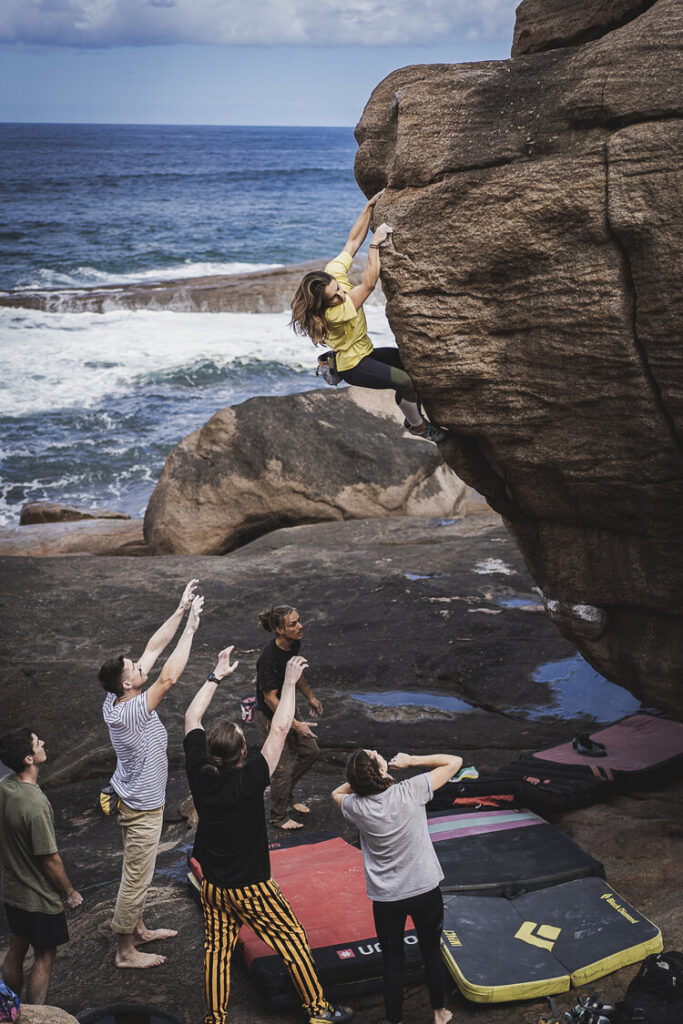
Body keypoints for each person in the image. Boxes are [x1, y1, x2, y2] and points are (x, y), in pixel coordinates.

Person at [183, 643, 353, 1024]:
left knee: (216, 952)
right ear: (243, 751)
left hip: (212, 882)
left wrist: (216, 675)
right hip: (252, 885)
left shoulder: (199, 770)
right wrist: (290, 683)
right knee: (292, 941)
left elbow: (192, 716)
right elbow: (279, 729)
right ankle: (320, 1011)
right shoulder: (252, 776)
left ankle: (215, 1019)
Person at [98, 579, 203, 969]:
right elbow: (169, 678)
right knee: (137, 877)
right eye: (134, 669)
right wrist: (191, 629)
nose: (141, 665)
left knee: (136, 867)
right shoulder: (130, 710)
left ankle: (139, 928)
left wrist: (179, 609)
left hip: (130, 795)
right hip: (141, 805)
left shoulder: (115, 696)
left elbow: (155, 648)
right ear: (128, 684)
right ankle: (125, 951)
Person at [290, 192, 446, 444]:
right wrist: (376, 244)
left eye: (338, 288)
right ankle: (418, 426)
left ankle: (419, 410)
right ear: (323, 304)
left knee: (409, 363)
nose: (342, 293)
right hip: (354, 366)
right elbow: (369, 283)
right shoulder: (335, 313)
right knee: (403, 380)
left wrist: (368, 209)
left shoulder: (332, 276)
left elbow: (351, 243)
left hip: (365, 352)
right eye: (334, 296)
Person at [332, 748, 462, 1024]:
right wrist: (412, 761)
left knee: (392, 962)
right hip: (424, 889)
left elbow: (336, 794)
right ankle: (439, 1012)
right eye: (376, 755)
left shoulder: (355, 805)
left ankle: (395, 1021)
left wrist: (359, 779)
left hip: (387, 896)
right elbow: (455, 762)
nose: (378, 752)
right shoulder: (410, 790)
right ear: (381, 770)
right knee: (431, 950)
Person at [0, 728, 83, 1004]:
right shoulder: (35, 804)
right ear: (28, 758)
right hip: (39, 897)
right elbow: (49, 858)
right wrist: (69, 892)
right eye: (37, 743)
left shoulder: (4, 786)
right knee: (44, 956)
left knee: (16, 946)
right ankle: (37, 1015)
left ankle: (8, 1007)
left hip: (13, 891)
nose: (43, 743)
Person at [254, 605, 322, 830]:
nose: (300, 626)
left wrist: (310, 697)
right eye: (293, 624)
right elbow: (270, 699)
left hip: (288, 706)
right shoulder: (268, 658)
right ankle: (278, 817)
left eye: (299, 620)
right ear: (278, 629)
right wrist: (295, 725)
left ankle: (287, 794)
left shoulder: (294, 643)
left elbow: (297, 673)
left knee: (310, 751)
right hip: (269, 715)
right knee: (281, 768)